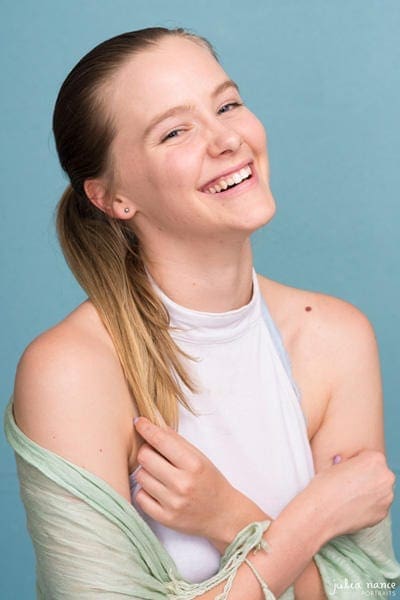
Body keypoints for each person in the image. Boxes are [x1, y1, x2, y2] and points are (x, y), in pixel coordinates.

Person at [5, 27, 400, 599]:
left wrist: (229, 517)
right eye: (174, 131)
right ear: (112, 197)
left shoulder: (337, 337)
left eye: (228, 104)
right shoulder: (70, 371)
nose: (227, 140)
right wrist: (313, 517)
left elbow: (365, 589)